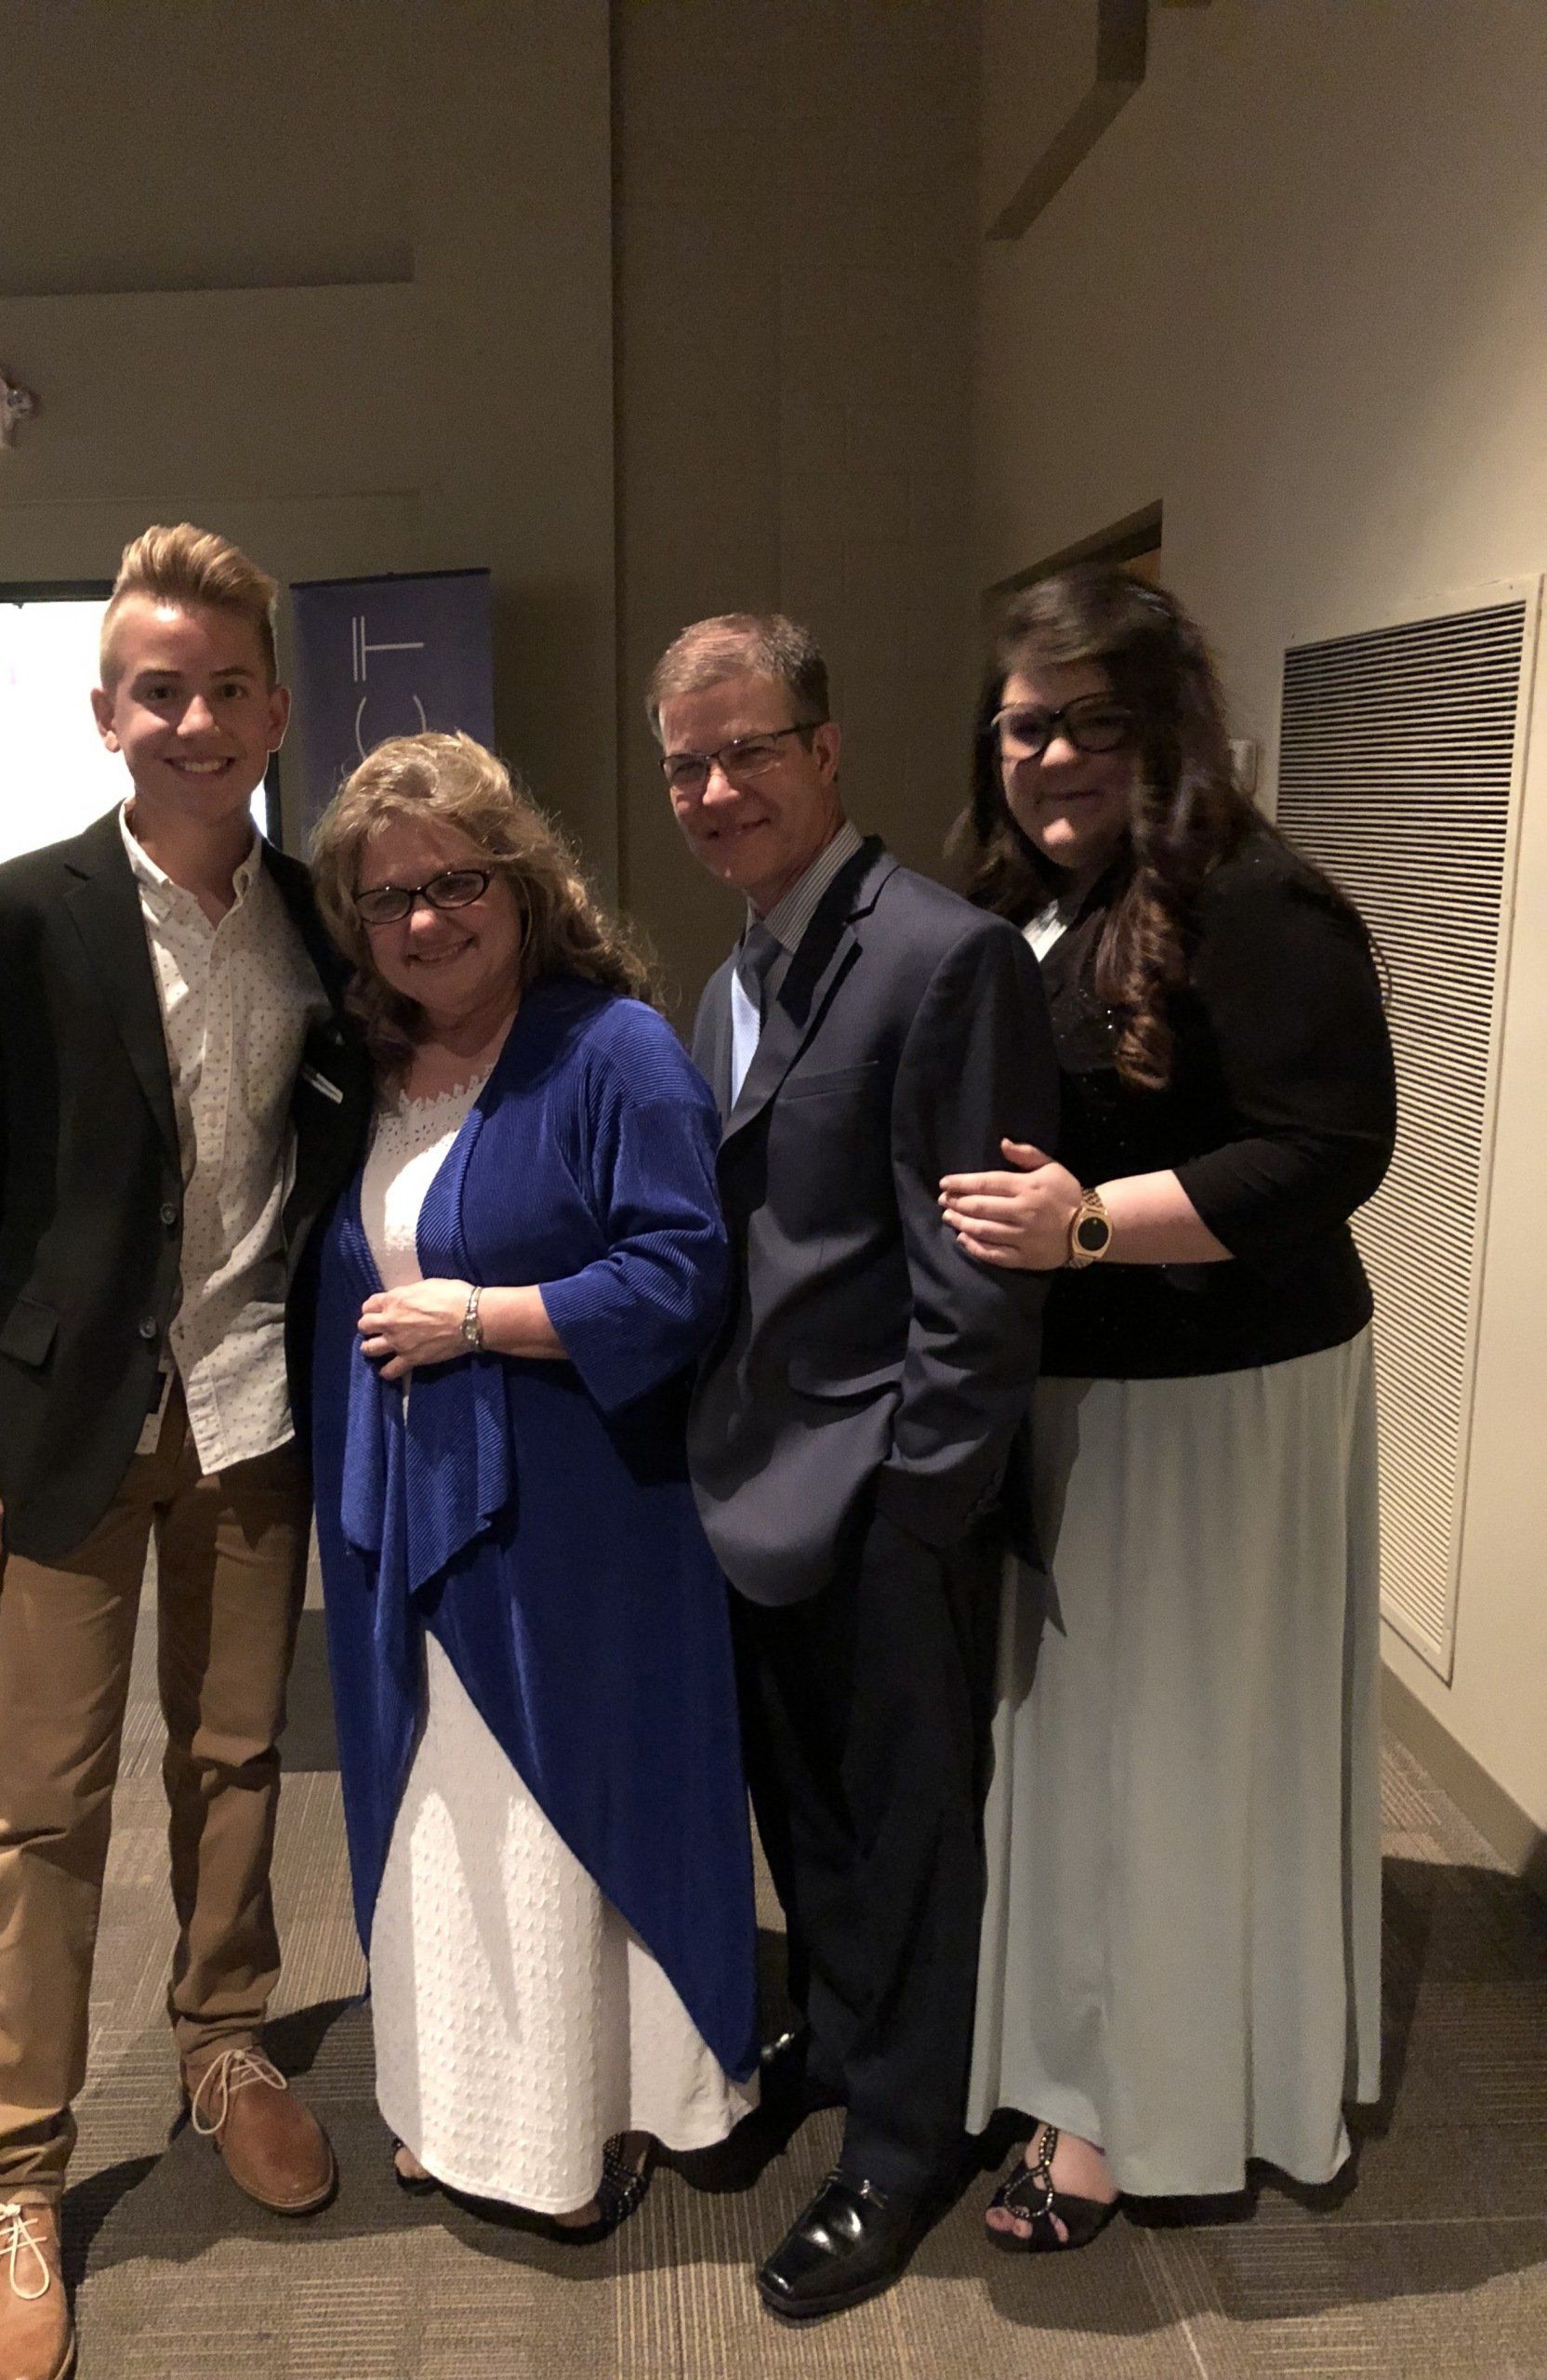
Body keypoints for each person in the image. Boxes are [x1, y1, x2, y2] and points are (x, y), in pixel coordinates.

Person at [0, 525, 365, 2380]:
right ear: (108, 713)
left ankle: (222, 2039)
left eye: (229, 688)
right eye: (162, 691)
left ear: (276, 712)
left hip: (253, 1413)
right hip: (61, 1429)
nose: (196, 719)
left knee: (236, 1762)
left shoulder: (322, 918)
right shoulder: (5, 921)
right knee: (41, 1812)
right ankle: (13, 2172)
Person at [943, 567, 1395, 2249]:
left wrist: (1086, 1228)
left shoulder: (1256, 899)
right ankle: (1074, 2044)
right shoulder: (1037, 900)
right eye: (1023, 725)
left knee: (1173, 1752)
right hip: (1088, 1394)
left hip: (1217, 1397)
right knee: (1090, 1745)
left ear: (1164, 728)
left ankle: (1137, 2107)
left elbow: (1329, 1149)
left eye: (1090, 721)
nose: (1049, 755)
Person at [652, 613, 1061, 2319]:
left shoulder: (946, 957)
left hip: (888, 1492)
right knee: (805, 1804)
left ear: (825, 750)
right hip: (756, 1480)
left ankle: (905, 2141)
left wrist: (923, 1502)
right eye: (687, 765)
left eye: (748, 750)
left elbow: (978, 1273)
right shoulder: (730, 976)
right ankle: (836, 2035)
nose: (717, 789)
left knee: (907, 1830)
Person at [304, 730, 759, 2239]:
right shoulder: (373, 1071)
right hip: (409, 1518)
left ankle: (587, 2118)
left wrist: (483, 1320)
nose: (425, 919)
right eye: (388, 899)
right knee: (445, 1816)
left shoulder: (611, 1050)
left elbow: (683, 1272)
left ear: (521, 881)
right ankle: (456, 2105)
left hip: (580, 1517)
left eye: (455, 882)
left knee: (562, 1815)